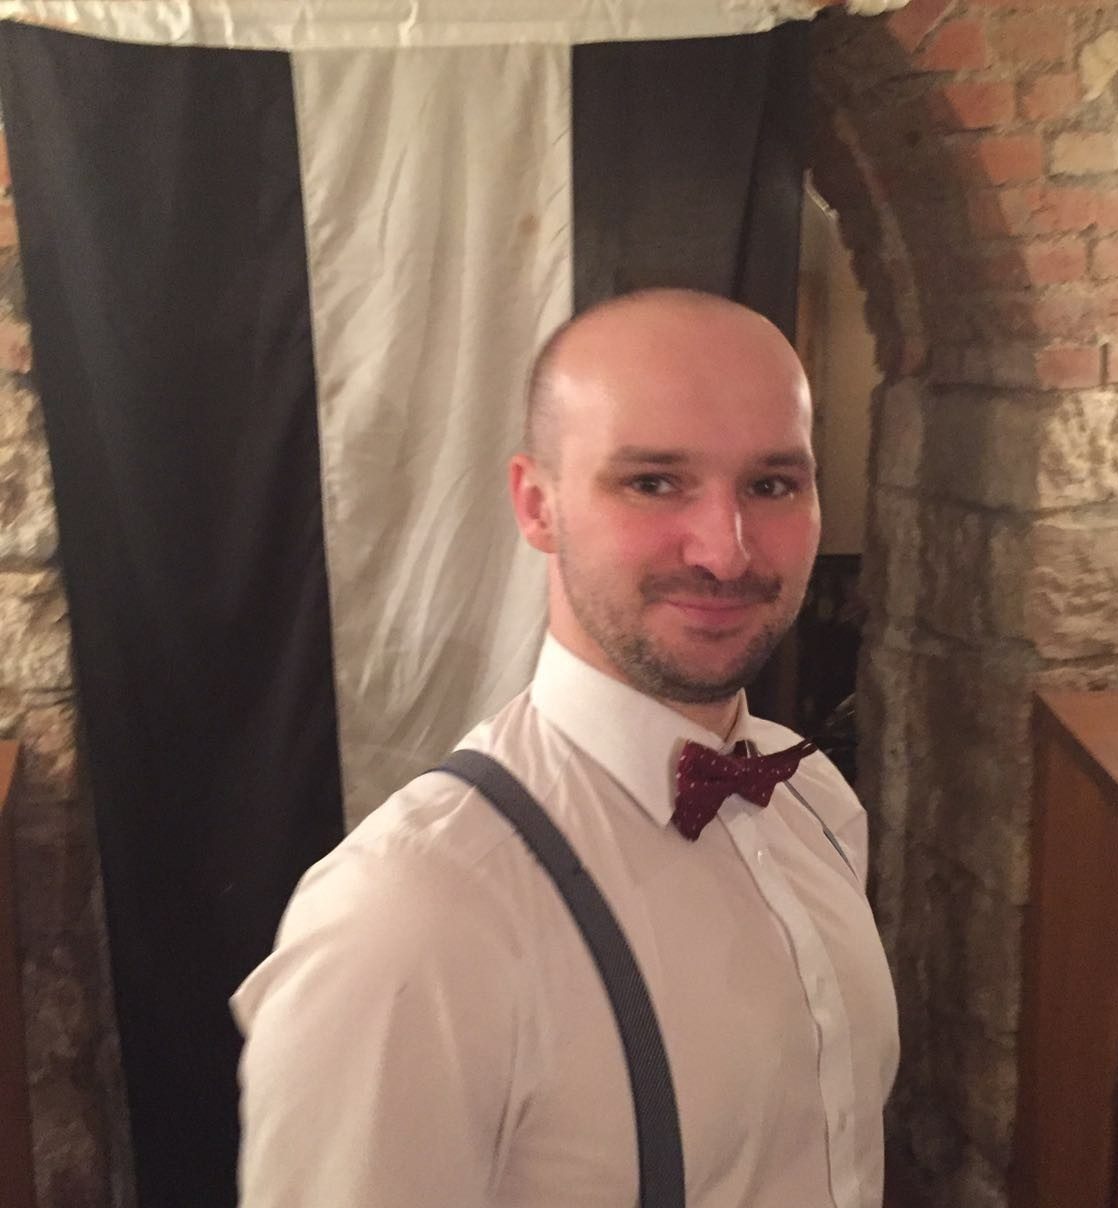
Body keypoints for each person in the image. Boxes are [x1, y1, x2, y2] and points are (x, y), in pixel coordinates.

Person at [232, 288, 898, 1208]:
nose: (725, 551)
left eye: (771, 484)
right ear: (536, 504)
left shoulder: (814, 797)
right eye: (653, 482)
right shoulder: (407, 918)